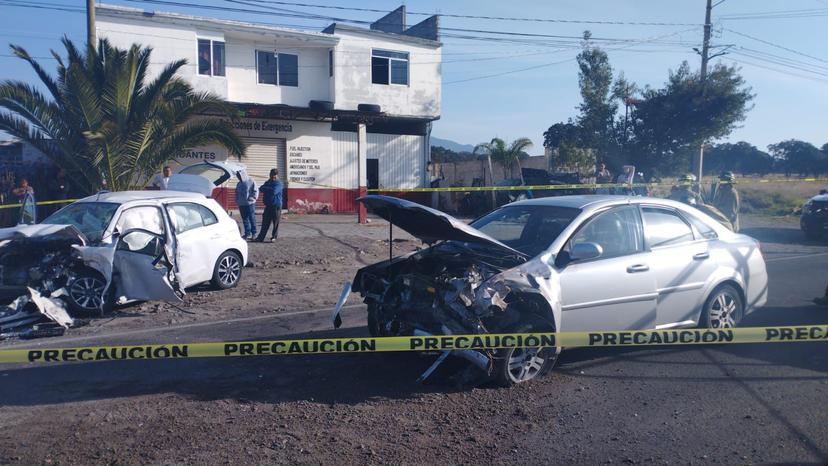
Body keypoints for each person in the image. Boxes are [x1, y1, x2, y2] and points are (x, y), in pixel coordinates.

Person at [255, 168, 283, 242]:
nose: (272, 177)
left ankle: (274, 237)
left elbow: (274, 191)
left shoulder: (278, 183)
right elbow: (260, 189)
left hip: (276, 206)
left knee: (275, 223)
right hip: (268, 205)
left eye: (274, 175)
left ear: (277, 175)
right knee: (265, 223)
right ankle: (260, 237)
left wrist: (266, 189)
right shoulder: (268, 182)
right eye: (271, 175)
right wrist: (268, 188)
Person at [235, 170, 258, 239]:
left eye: (239, 175)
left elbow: (255, 190)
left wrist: (252, 198)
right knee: (245, 219)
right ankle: (247, 233)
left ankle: (254, 233)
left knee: (252, 218)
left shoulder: (251, 181)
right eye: (237, 176)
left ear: (243, 174)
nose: (238, 177)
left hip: (250, 203)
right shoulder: (238, 184)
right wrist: (237, 200)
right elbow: (236, 192)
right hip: (241, 204)